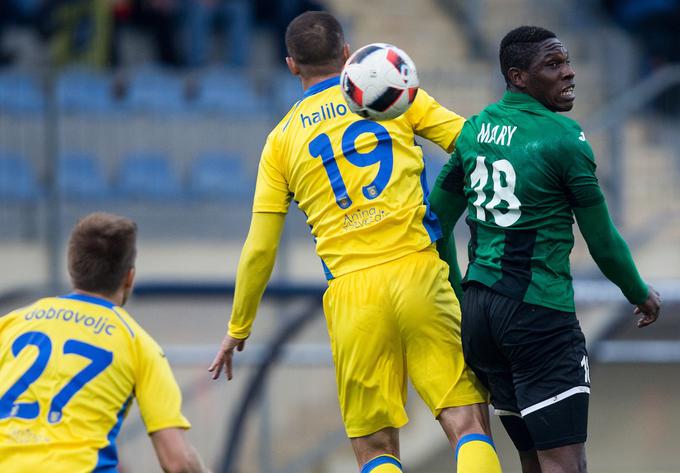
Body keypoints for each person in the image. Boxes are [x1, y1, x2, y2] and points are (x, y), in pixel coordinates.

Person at [208, 10, 502, 473]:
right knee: (466, 422)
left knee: (377, 446)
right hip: (419, 271)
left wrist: (238, 328)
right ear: (347, 53)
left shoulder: (281, 141)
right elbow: (469, 141)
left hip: (351, 295)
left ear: (291, 65)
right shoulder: (390, 90)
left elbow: (260, 248)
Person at [429, 26, 662, 473]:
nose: (569, 73)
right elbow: (604, 242)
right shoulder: (561, 138)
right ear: (518, 76)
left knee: (532, 459)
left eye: (567, 62)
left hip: (482, 319)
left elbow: (435, 222)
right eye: (553, 65)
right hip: (538, 315)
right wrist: (639, 292)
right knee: (564, 464)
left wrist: (463, 293)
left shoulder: (475, 130)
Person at [0, 212, 209, 473]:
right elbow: (177, 462)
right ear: (129, 277)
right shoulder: (139, 345)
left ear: (72, 266)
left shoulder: (10, 324)